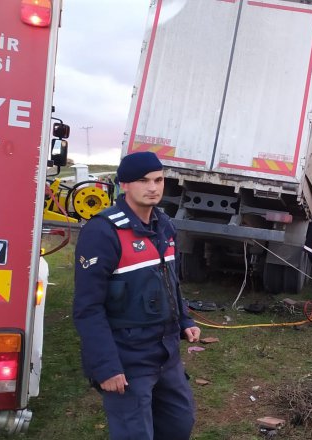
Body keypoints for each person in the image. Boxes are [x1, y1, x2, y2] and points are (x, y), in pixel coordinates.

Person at [73, 151, 201, 440]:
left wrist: (184, 319)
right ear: (125, 185)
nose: (153, 187)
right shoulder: (102, 232)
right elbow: (87, 308)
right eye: (143, 181)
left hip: (166, 354)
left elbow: (171, 281)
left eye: (158, 180)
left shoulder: (165, 225)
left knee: (179, 424)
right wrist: (105, 367)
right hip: (127, 357)